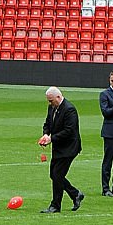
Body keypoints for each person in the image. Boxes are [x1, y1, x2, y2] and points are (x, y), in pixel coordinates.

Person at [38, 86, 84, 214]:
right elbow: (47, 123)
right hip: (59, 147)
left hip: (69, 148)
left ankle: (55, 205)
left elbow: (69, 131)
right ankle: (75, 194)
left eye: (51, 100)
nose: (50, 103)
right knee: (54, 175)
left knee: (57, 175)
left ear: (58, 97)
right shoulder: (52, 107)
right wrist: (46, 134)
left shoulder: (69, 109)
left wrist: (51, 138)